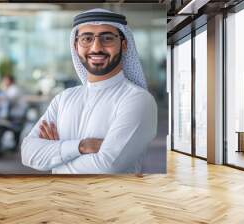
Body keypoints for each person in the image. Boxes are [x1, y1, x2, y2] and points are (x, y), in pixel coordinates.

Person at [21, 8, 157, 174]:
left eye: (107, 38)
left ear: (124, 44)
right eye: (87, 38)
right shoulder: (64, 98)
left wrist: (55, 158)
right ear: (76, 46)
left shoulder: (138, 100)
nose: (96, 47)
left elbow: (107, 166)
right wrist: (82, 146)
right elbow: (27, 153)